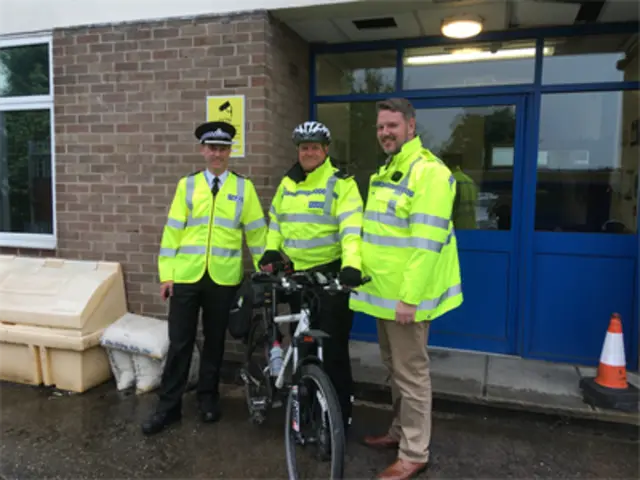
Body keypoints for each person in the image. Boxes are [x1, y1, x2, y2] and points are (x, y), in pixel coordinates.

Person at [350, 98, 463, 480]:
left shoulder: (428, 173)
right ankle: (399, 433)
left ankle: (414, 452)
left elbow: (426, 243)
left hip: (405, 301)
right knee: (394, 371)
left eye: (393, 126)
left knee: (411, 375)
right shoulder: (388, 171)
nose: (385, 133)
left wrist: (409, 298)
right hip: (384, 297)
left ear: (411, 127)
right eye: (381, 127)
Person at [142, 120, 267, 435]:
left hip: (223, 280)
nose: (217, 154)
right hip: (186, 277)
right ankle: (168, 407)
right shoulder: (187, 185)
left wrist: (267, 266)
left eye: (223, 148)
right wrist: (166, 275)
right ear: (203, 150)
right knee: (181, 342)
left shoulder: (244, 188)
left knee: (214, 344)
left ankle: (208, 399)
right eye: (212, 148)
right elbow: (172, 232)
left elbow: (256, 233)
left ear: (229, 152)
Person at [258, 120, 364, 431]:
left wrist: (352, 265)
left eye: (315, 147)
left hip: (331, 277)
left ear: (325, 150)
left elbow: (351, 229)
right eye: (304, 147)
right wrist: (270, 250)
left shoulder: (341, 183)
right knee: (303, 348)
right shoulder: (287, 184)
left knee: (333, 352)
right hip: (296, 278)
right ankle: (304, 409)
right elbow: (275, 221)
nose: (309, 152)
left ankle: (338, 415)